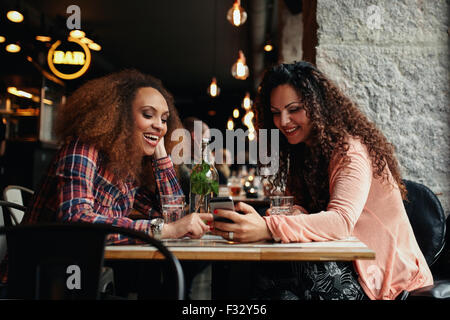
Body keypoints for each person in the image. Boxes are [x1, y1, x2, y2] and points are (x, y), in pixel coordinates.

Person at [211, 61, 433, 300]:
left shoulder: (350, 151)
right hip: (348, 265)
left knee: (278, 272)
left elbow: (340, 222)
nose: (283, 121)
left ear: (318, 106)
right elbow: (301, 210)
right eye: (275, 113)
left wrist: (269, 228)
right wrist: (286, 216)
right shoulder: (304, 153)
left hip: (387, 282)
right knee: (249, 268)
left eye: (293, 109)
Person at [0, 70, 213, 294]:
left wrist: (161, 155)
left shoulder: (126, 165)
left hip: (78, 279)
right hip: (35, 283)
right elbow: (76, 222)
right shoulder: (82, 148)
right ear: (119, 115)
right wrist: (165, 230)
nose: (160, 125)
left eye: (164, 119)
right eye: (148, 115)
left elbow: (174, 215)